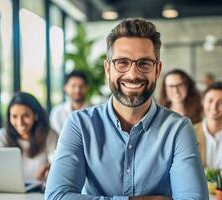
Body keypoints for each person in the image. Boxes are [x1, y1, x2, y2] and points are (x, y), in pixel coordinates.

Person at [45, 18, 208, 200]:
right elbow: (56, 197)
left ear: (157, 69)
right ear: (108, 69)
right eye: (122, 62)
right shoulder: (79, 124)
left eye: (144, 63)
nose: (133, 74)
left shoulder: (178, 128)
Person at [0, 92, 58, 182]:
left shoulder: (49, 134)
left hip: (40, 190)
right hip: (10, 189)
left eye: (25, 116)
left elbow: (57, 162)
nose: (20, 122)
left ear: (35, 115)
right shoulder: (2, 136)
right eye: (14, 116)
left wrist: (50, 167)